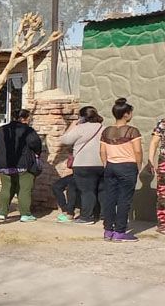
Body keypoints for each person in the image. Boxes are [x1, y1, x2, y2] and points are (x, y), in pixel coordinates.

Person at [100, 98, 142, 242]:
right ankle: (120, 232)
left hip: (111, 166)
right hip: (127, 166)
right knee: (124, 199)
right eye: (130, 113)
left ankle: (108, 230)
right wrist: (138, 165)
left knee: (110, 199)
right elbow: (137, 151)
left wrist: (106, 164)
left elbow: (102, 151)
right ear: (126, 114)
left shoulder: (107, 131)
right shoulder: (132, 131)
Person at [0, 109, 43, 222]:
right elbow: (35, 144)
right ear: (23, 119)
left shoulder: (1, 129)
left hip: (4, 164)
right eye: (29, 118)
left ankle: (2, 213)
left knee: (6, 188)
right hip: (23, 164)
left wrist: (2, 151)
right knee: (24, 189)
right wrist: (37, 153)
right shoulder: (27, 130)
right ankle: (25, 214)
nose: (29, 120)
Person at [59, 105, 104, 225]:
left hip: (83, 163)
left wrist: (72, 125)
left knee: (87, 191)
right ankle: (101, 214)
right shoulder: (102, 128)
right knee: (100, 189)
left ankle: (86, 217)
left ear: (82, 117)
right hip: (100, 163)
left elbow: (64, 140)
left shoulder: (80, 128)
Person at [150, 116, 165, 235]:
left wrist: (151, 159)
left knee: (163, 193)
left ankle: (163, 224)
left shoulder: (163, 122)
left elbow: (154, 142)